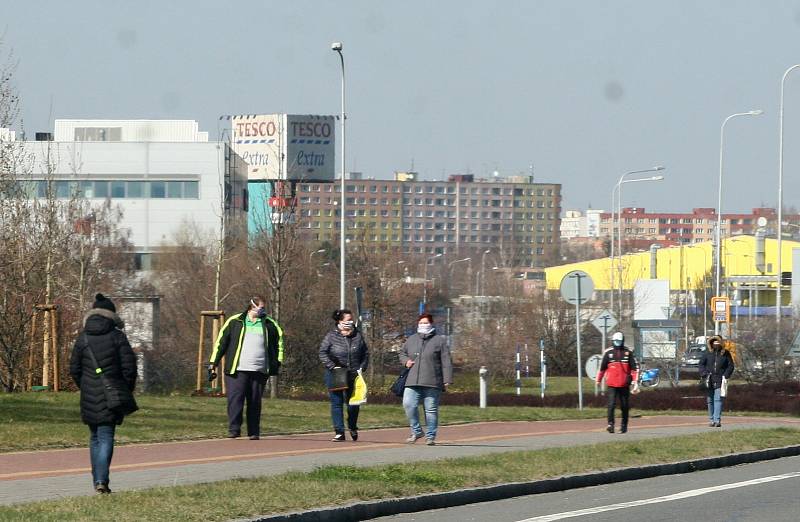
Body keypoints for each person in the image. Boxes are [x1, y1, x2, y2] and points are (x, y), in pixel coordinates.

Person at [69, 293, 138, 494]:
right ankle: (102, 481)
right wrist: (125, 388)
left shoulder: (83, 338)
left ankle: (97, 481)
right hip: (112, 394)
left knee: (95, 438)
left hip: (89, 394)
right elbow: (129, 368)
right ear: (111, 315)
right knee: (106, 436)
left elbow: (74, 368)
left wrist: (85, 386)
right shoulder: (118, 337)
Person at [208, 296, 284, 440]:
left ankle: (254, 431)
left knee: (255, 401)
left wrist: (277, 361)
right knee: (235, 399)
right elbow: (221, 342)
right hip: (237, 369)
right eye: (261, 307)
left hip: (259, 370)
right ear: (252, 306)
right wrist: (213, 363)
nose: (263, 310)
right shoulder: (235, 321)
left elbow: (279, 342)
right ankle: (234, 429)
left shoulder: (269, 323)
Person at [398, 313, 453, 446]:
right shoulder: (411, 339)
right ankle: (416, 431)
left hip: (433, 381)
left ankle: (430, 436)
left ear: (431, 324)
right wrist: (406, 361)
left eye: (426, 323)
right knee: (408, 404)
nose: (423, 325)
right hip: (412, 380)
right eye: (421, 323)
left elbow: (446, 361)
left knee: (431, 410)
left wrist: (447, 379)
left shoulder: (439, 340)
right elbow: (402, 353)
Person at [318, 309, 370, 442]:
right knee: (336, 403)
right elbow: (322, 352)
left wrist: (362, 367)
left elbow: (365, 353)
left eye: (351, 320)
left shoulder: (357, 336)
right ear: (339, 322)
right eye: (347, 320)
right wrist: (331, 365)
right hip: (336, 373)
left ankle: (352, 426)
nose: (350, 323)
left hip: (354, 374)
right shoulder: (331, 336)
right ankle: (339, 431)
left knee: (353, 404)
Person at [595, 331, 639, 434]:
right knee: (611, 404)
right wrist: (598, 380)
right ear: (612, 341)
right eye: (615, 341)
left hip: (624, 384)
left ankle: (624, 425)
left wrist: (635, 381)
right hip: (611, 384)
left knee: (624, 406)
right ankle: (610, 424)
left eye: (619, 341)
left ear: (622, 341)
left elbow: (634, 369)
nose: (617, 343)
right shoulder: (608, 353)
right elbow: (602, 368)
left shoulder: (628, 353)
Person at [699, 335, 735, 427]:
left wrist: (725, 375)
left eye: (718, 342)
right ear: (711, 343)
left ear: (721, 343)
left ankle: (717, 420)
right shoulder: (707, 353)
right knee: (710, 400)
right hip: (709, 380)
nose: (716, 344)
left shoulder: (726, 353)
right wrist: (704, 373)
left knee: (718, 399)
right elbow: (701, 364)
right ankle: (711, 420)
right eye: (714, 343)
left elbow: (730, 366)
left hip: (720, 380)